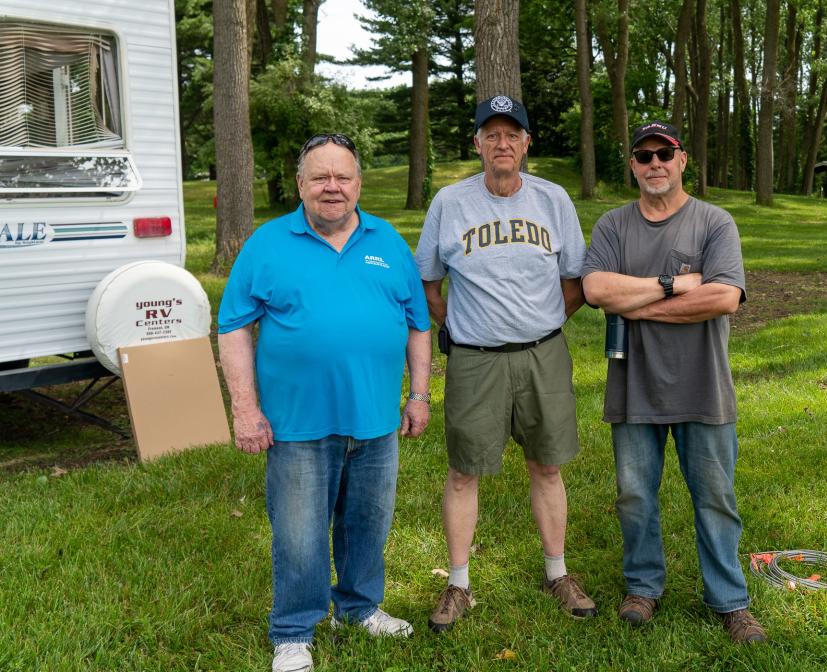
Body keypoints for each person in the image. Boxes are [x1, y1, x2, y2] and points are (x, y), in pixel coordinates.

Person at [218, 133, 433, 672]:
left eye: (342, 177)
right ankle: (293, 631)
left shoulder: (389, 242)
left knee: (368, 524)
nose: (332, 187)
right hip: (296, 426)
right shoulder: (267, 244)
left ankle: (359, 609)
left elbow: (418, 326)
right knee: (299, 534)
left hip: (377, 421)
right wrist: (246, 410)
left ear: (359, 184)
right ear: (300, 185)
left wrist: (420, 394)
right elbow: (233, 330)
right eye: (320, 177)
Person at [414, 95, 596, 633]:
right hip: (475, 361)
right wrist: (459, 325)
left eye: (511, 134)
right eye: (490, 134)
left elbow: (575, 279)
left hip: (544, 355)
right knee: (464, 470)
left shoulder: (554, 199)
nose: (502, 143)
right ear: (476, 144)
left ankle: (556, 572)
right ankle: (459, 584)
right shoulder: (450, 203)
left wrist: (540, 324)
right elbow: (427, 278)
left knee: (547, 464)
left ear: (526, 143)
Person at [581, 121, 767, 643]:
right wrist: (669, 286)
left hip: (704, 387)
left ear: (683, 160)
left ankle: (729, 600)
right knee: (635, 496)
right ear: (633, 166)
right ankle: (643, 587)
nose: (654, 163)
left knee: (714, 497)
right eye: (643, 156)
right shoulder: (614, 226)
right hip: (632, 387)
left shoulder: (714, 222)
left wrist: (638, 305)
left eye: (665, 153)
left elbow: (723, 297)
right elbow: (596, 289)